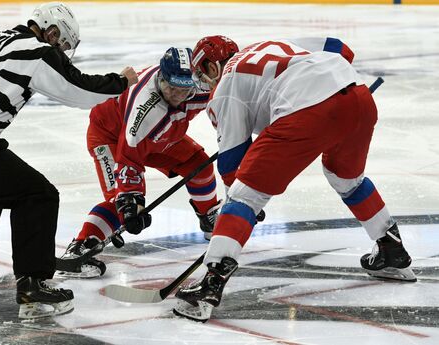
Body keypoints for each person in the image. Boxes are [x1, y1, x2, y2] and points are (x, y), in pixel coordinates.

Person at [0, 2, 137, 319]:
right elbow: (77, 89)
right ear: (52, 31)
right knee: (38, 195)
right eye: (61, 44)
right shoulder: (37, 52)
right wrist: (120, 81)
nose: (61, 51)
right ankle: (33, 285)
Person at [172, 35, 416, 322]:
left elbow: (231, 167)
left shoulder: (224, 88)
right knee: (346, 178)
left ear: (213, 67)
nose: (202, 82)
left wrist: (241, 212)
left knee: (244, 196)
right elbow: (338, 47)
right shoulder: (265, 46)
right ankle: (392, 250)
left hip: (307, 111)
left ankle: (210, 285)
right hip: (357, 96)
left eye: (201, 73)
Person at [56, 47, 221, 278]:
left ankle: (208, 218)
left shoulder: (199, 89)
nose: (176, 95)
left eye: (182, 90)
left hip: (160, 133)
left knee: (198, 164)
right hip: (111, 136)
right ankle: (81, 247)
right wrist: (131, 202)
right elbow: (128, 158)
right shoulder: (145, 111)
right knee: (119, 201)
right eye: (170, 87)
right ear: (161, 78)